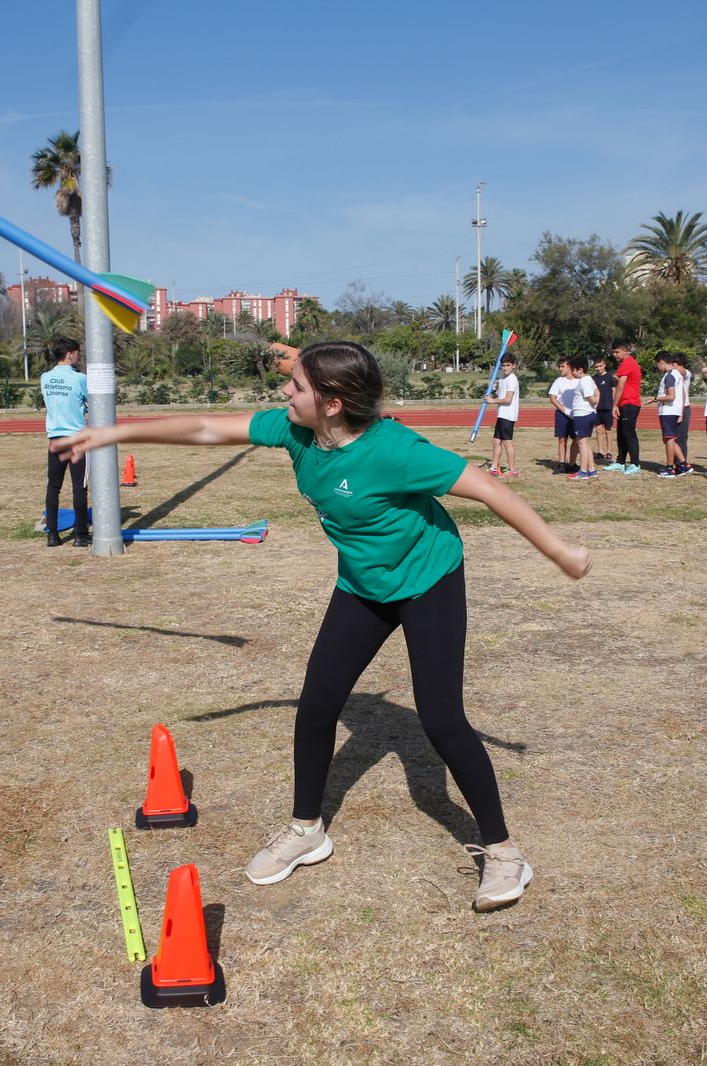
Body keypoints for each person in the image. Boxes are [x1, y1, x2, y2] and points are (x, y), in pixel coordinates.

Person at [51, 341, 591, 912]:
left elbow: (487, 488)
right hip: (362, 585)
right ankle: (307, 831)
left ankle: (504, 853)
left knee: (441, 719)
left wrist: (557, 550)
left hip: (428, 580)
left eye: (298, 385)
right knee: (315, 704)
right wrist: (115, 433)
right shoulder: (297, 433)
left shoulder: (395, 451)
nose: (286, 391)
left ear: (332, 403)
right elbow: (211, 428)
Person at [40, 338, 89, 547]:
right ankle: (80, 534)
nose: (79, 356)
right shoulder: (79, 379)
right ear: (70, 354)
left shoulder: (45, 378)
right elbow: (92, 402)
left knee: (53, 486)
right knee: (80, 487)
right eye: (77, 353)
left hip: (55, 438)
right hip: (76, 438)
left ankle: (52, 534)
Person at [643, 352, 687, 477]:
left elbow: (671, 396)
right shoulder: (677, 374)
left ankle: (669, 468)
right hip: (673, 411)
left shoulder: (669, 376)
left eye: (657, 364)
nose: (657, 367)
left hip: (668, 411)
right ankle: (683, 464)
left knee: (669, 439)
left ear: (662, 362)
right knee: (670, 439)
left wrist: (655, 398)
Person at [558, 355, 601, 481]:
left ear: (580, 370)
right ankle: (592, 470)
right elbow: (598, 392)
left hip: (583, 415)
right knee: (585, 443)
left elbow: (593, 399)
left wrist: (595, 402)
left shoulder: (583, 381)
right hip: (587, 414)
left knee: (581, 444)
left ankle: (583, 471)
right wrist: (596, 401)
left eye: (573, 370)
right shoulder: (590, 379)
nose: (572, 372)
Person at [606, 341, 644, 474]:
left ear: (625, 351)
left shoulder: (628, 363)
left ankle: (635, 464)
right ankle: (620, 462)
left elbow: (621, 385)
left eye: (617, 352)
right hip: (624, 403)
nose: (615, 355)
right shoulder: (624, 364)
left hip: (630, 404)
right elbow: (619, 381)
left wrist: (614, 405)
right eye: (614, 352)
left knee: (629, 434)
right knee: (621, 434)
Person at [485, 352, 520, 477]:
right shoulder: (503, 378)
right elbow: (500, 393)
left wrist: (492, 401)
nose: (505, 368)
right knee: (496, 441)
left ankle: (512, 470)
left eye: (508, 365)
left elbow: (508, 399)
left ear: (514, 366)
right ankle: (494, 468)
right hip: (501, 414)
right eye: (503, 365)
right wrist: (492, 390)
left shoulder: (512, 379)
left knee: (507, 442)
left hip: (508, 415)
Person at [547, 358, 578, 474]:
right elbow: (552, 397)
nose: (560, 369)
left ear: (570, 367)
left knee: (576, 439)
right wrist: (564, 410)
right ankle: (561, 463)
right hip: (562, 414)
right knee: (562, 439)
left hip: (576, 414)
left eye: (563, 366)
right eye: (559, 366)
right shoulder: (559, 381)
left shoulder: (579, 380)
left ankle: (572, 464)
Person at [589, 354, 617, 465]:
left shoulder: (610, 376)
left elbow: (614, 391)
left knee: (608, 430)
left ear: (604, 365)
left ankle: (609, 452)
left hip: (608, 407)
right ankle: (600, 451)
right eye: (596, 367)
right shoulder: (593, 378)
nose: (598, 368)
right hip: (597, 408)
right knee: (598, 430)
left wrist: (615, 405)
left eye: (600, 366)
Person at [671, 353, 694, 475]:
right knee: (672, 437)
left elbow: (683, 372)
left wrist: (676, 369)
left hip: (683, 408)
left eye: (675, 366)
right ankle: (675, 463)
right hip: (673, 408)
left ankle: (682, 464)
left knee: (681, 438)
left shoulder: (686, 374)